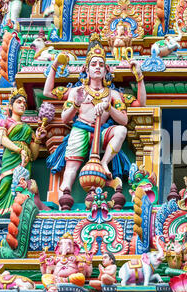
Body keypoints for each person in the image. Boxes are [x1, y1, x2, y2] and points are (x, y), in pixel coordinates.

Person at [43, 33, 146, 199]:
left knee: (120, 131)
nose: (97, 67)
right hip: (81, 128)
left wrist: (139, 78)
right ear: (86, 69)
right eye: (93, 64)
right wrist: (55, 65)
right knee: (71, 168)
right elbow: (55, 104)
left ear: (106, 70)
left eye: (101, 64)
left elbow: (133, 110)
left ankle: (104, 162)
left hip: (103, 133)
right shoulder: (77, 91)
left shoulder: (113, 94)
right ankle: (64, 195)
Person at [0, 88, 46, 218]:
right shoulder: (4, 122)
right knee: (6, 181)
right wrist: (19, 150)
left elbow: (34, 155)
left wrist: (38, 139)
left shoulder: (27, 128)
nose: (22, 105)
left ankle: (17, 207)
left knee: (22, 184)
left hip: (25, 160)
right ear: (11, 106)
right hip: (11, 156)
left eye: (24, 103)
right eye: (19, 102)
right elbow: (2, 139)